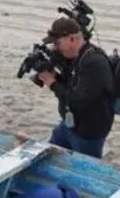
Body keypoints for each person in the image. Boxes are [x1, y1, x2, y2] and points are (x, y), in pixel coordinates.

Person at [35, 17, 114, 159]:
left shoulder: (94, 62)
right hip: (69, 124)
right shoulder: (74, 57)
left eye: (57, 43)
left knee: (86, 169)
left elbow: (78, 101)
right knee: (51, 156)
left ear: (71, 39)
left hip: (88, 131)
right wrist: (55, 77)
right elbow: (70, 86)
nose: (56, 48)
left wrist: (52, 83)